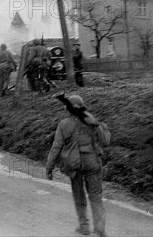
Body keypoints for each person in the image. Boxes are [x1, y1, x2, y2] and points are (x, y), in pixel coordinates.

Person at [46, 95, 111, 237]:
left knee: (78, 195)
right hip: (93, 161)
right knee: (95, 196)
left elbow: (56, 147)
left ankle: (84, 226)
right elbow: (105, 141)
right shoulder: (91, 120)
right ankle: (100, 229)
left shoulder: (64, 124)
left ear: (67, 108)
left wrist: (49, 166)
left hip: (74, 163)